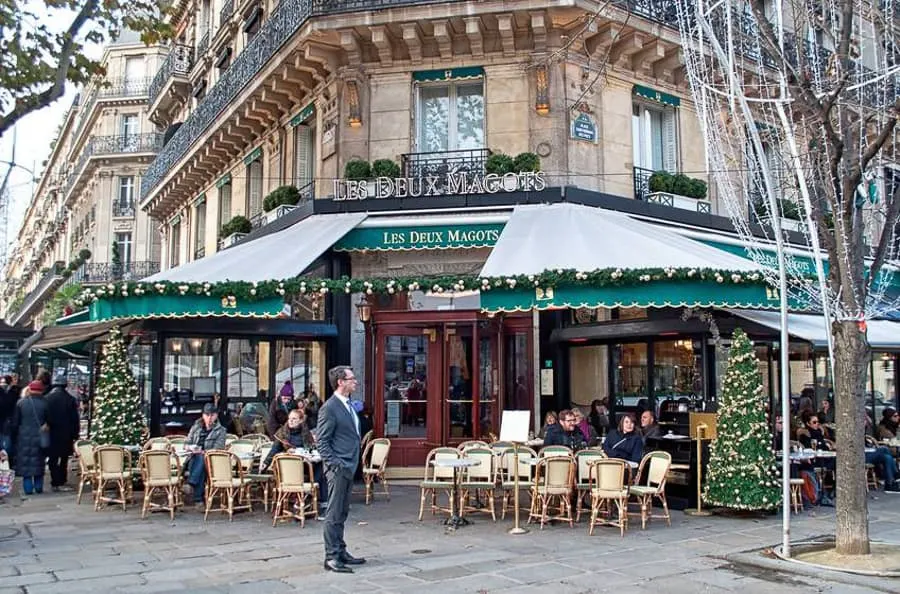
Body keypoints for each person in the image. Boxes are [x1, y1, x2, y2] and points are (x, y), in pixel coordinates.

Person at [317, 365, 365, 573]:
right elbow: (323, 441)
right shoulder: (329, 408)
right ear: (340, 382)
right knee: (334, 512)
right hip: (339, 467)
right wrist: (336, 463)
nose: (355, 381)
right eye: (351, 378)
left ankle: (341, 550)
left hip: (349, 465)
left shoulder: (347, 405)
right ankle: (331, 556)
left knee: (343, 511)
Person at [43, 370, 80, 492]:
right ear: (65, 385)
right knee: (64, 458)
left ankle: (55, 480)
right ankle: (62, 480)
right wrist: (76, 435)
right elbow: (75, 419)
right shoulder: (70, 399)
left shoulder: (47, 398)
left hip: (52, 433)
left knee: (53, 458)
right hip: (66, 433)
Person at [185, 403, 227, 507]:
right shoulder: (196, 427)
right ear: (203, 415)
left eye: (212, 415)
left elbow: (218, 449)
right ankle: (198, 499)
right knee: (200, 461)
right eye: (207, 415)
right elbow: (186, 443)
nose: (209, 418)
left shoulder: (221, 431)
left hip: (212, 461)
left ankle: (191, 484)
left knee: (202, 459)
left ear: (216, 416)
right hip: (192, 459)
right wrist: (190, 448)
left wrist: (203, 452)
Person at [12, 381, 49, 495]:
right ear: (41, 390)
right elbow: (50, 420)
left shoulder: (21, 403)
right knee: (38, 461)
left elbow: (15, 422)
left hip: (24, 437)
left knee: (25, 463)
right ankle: (38, 487)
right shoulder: (45, 403)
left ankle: (28, 488)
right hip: (40, 436)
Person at [0, 374, 19, 456]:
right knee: (7, 441)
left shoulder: (11, 393)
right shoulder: (14, 393)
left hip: (5, 420)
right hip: (8, 420)